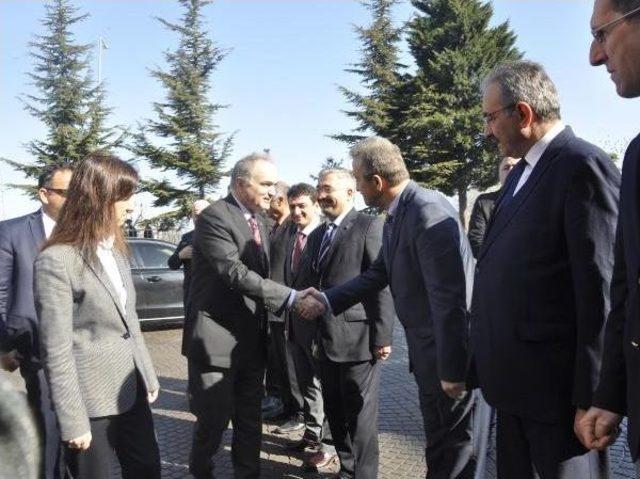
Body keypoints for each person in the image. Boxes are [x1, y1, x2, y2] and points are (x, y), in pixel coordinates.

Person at [471, 60, 620, 478]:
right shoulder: (520, 176)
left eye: (490, 118)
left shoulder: (581, 166)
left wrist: (594, 396)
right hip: (516, 391)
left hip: (559, 401)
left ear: (523, 114)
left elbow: (600, 289)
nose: (486, 131)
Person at [300, 136, 477, 479]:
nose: (357, 187)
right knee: (439, 446)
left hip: (449, 359)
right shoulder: (398, 214)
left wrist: (454, 368)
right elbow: (378, 273)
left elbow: (451, 298)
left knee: (458, 450)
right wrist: (326, 299)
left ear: (376, 182)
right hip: (428, 357)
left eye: (358, 178)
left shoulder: (426, 211)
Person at [184, 152, 314, 479]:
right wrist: (290, 298)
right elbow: (235, 273)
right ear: (242, 184)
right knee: (212, 424)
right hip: (217, 345)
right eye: (266, 183)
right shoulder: (215, 217)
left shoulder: (262, 221)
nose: (273, 190)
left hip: (252, 344)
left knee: (250, 423)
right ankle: (201, 473)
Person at [33, 153, 161, 479]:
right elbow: (56, 348)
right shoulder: (57, 260)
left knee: (147, 468)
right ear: (99, 199)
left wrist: (147, 373)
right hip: (90, 403)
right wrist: (73, 419)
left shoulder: (116, 251)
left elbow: (129, 321)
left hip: (130, 391)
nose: (130, 206)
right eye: (125, 197)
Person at [575, 0, 640, 471]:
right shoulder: (636, 155)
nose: (595, 58)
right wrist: (613, 392)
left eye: (602, 34)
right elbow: (627, 287)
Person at [304, 167, 396, 478]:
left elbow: (380, 282)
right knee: (336, 413)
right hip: (323, 341)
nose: (322, 195)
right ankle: (347, 469)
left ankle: (366, 475)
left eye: (328, 188)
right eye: (319, 188)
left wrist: (383, 336)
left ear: (350, 192)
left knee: (361, 420)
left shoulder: (370, 225)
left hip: (358, 340)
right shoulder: (317, 235)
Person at [0, 163, 73, 479]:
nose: (76, 200)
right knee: (47, 425)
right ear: (44, 194)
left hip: (85, 349)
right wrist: (4, 345)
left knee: (84, 434)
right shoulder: (12, 232)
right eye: (67, 193)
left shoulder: (85, 231)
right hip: (38, 347)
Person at [278, 183, 337, 469]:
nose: (297, 211)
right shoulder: (291, 235)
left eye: (302, 206)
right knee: (307, 386)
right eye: (292, 207)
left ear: (315, 205)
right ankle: (312, 434)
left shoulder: (326, 236)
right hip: (294, 325)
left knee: (324, 386)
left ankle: (328, 444)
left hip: (318, 327)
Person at [263, 181, 300, 422]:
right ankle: (284, 405)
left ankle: (299, 412)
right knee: (277, 363)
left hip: (286, 307)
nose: (265, 205)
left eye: (270, 199)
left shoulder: (292, 228)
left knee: (291, 366)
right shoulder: (274, 227)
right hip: (272, 308)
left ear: (280, 201)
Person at [168, 198, 210, 356]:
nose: (197, 218)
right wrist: (181, 255)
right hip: (192, 295)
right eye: (194, 214)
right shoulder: (187, 237)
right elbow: (172, 264)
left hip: (211, 295)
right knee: (192, 340)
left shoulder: (218, 235)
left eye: (201, 214)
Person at [467, 157, 519, 258]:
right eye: (506, 167)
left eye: (516, 166)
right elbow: (475, 241)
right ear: (499, 174)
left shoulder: (537, 196)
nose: (511, 170)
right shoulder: (484, 203)